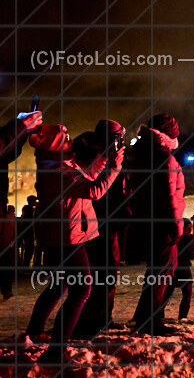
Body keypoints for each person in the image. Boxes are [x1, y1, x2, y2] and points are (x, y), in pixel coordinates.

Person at [25, 130, 124, 365]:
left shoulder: (57, 165)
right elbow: (94, 190)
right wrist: (115, 167)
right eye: (65, 139)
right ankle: (55, 351)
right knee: (82, 289)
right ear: (56, 147)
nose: (71, 141)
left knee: (58, 286)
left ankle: (34, 332)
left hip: (60, 236)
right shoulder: (59, 172)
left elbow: (87, 175)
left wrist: (106, 159)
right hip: (66, 239)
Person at [130, 114, 185, 336]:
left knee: (155, 271)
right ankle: (151, 321)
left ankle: (145, 316)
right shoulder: (164, 158)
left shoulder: (143, 153)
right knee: (162, 273)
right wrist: (176, 225)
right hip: (163, 222)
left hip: (147, 219)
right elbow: (168, 195)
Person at [75, 120, 130, 339]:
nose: (121, 141)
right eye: (118, 137)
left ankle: (102, 317)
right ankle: (92, 320)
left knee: (107, 273)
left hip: (107, 221)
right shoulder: (91, 155)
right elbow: (98, 190)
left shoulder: (106, 153)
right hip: (95, 222)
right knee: (102, 273)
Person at [162, 221, 194, 320]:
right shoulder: (177, 240)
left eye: (190, 227)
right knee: (167, 294)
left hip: (185, 269)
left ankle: (183, 316)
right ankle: (160, 315)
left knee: (187, 293)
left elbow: (191, 252)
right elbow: (184, 253)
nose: (189, 230)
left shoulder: (191, 238)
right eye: (187, 228)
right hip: (176, 270)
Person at [18, 195, 38, 268]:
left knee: (28, 249)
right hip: (28, 232)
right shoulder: (28, 209)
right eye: (35, 201)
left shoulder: (27, 209)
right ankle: (25, 266)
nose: (36, 202)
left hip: (27, 232)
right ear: (31, 201)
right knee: (29, 249)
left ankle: (25, 265)